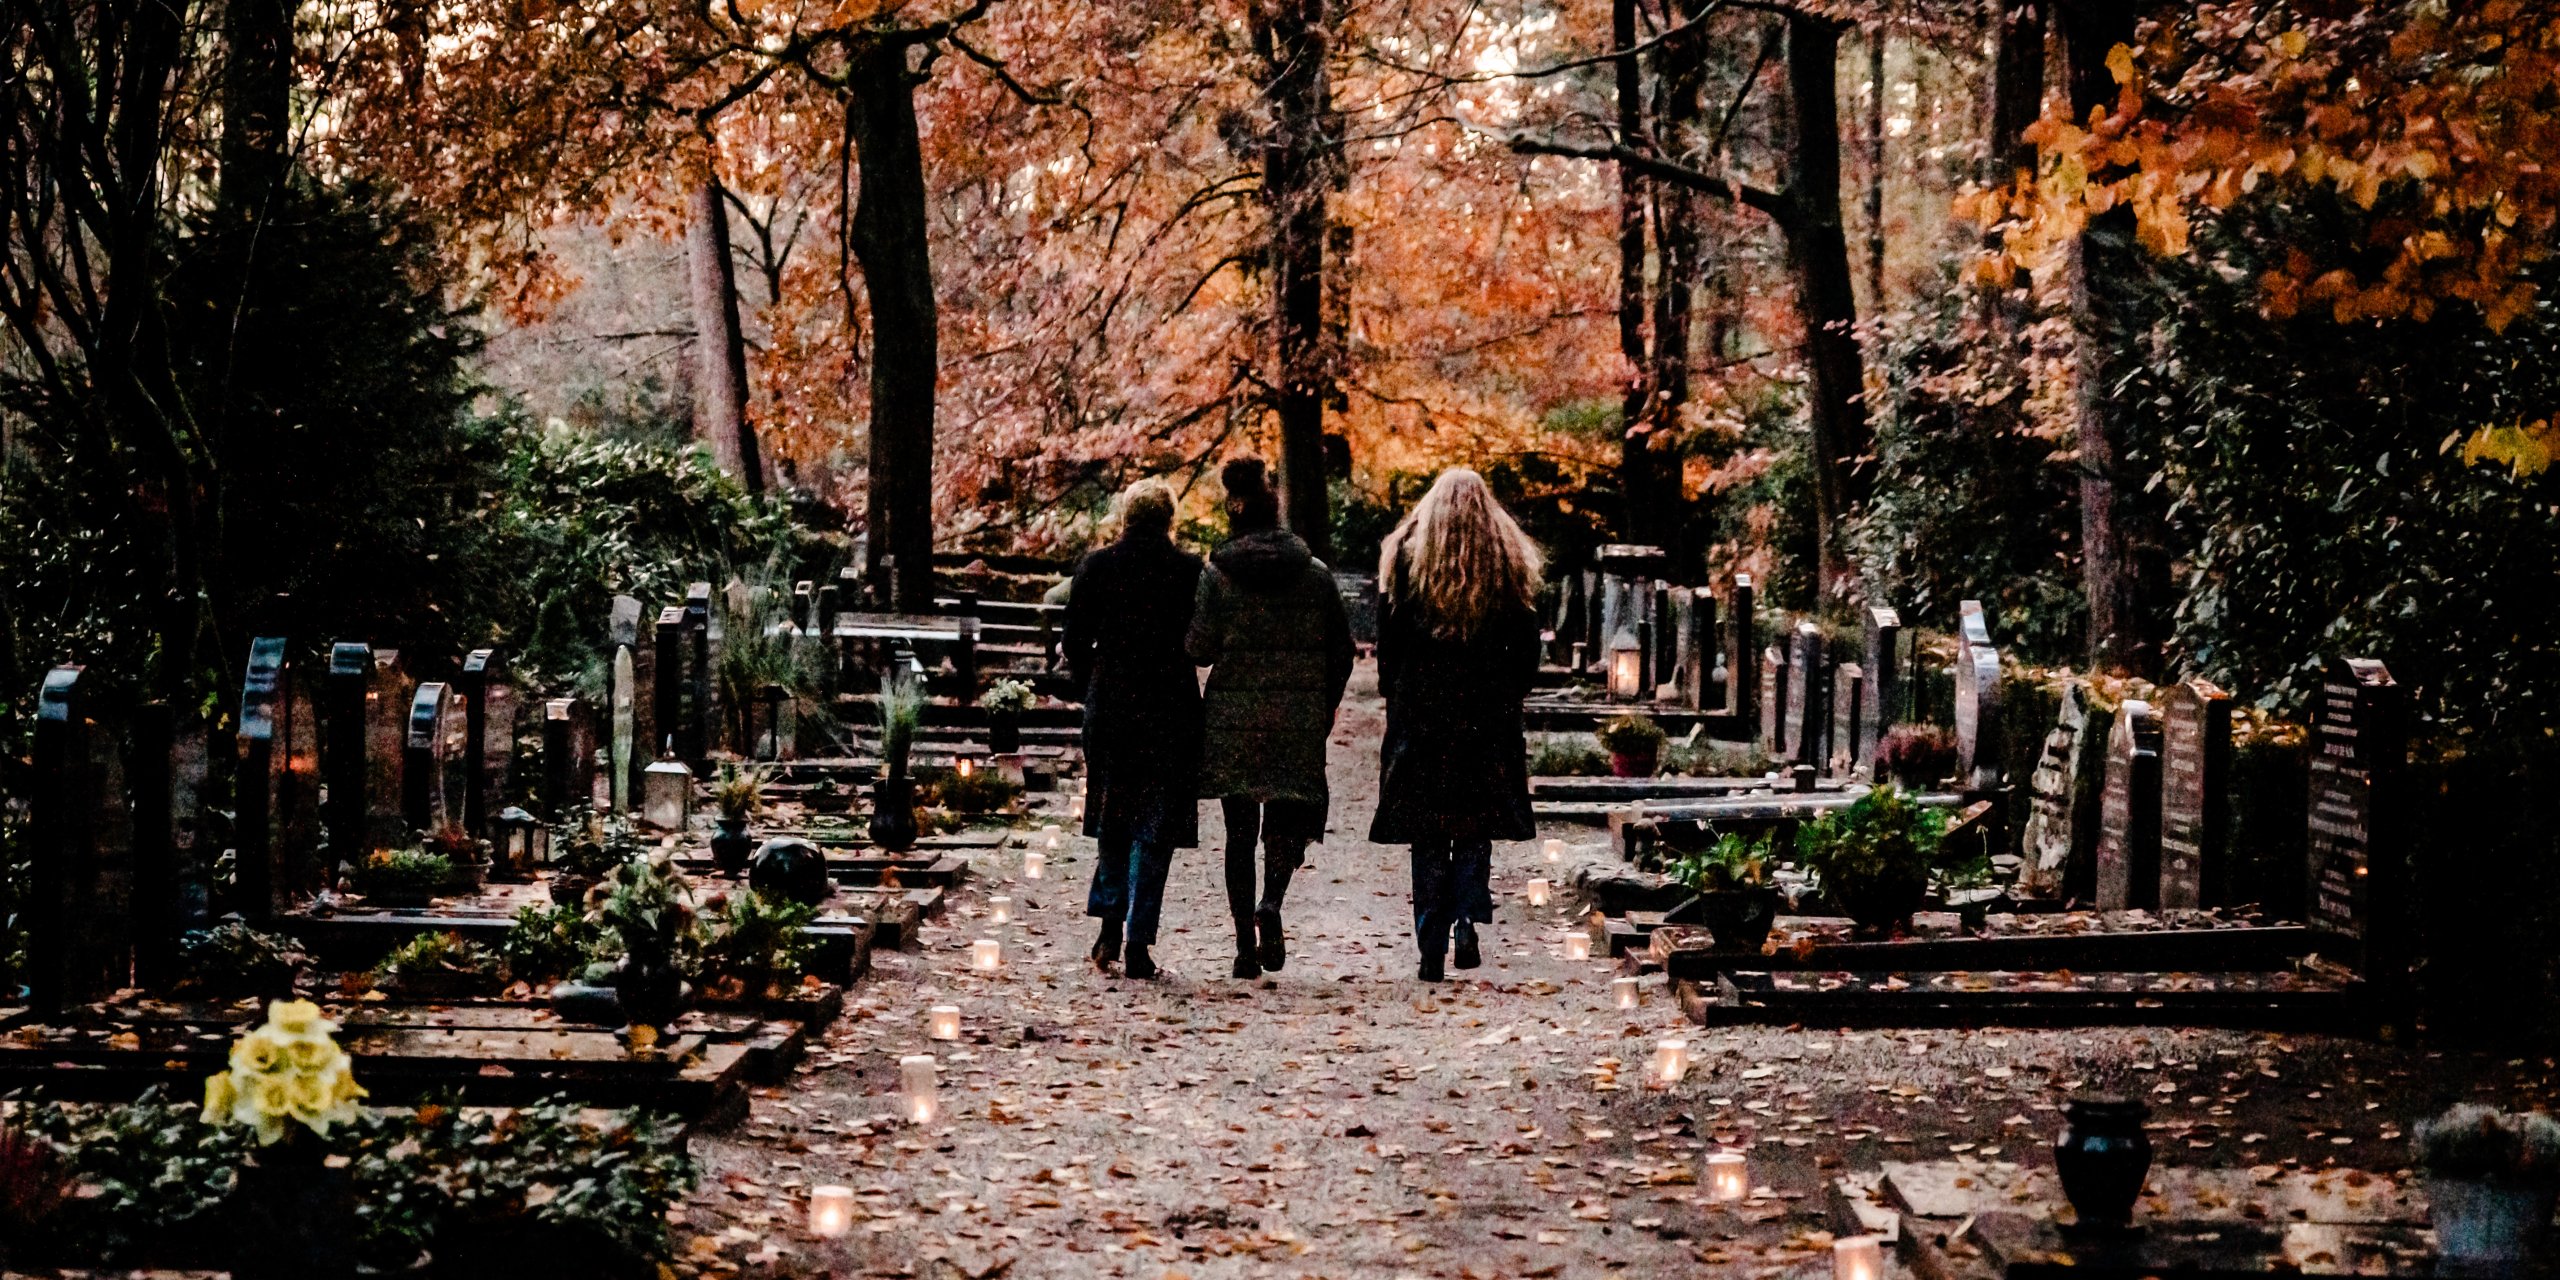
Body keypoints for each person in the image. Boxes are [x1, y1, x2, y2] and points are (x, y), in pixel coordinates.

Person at [1367, 468, 1543, 982]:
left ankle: (1429, 943)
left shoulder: (1403, 558)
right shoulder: (1505, 561)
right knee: (1473, 826)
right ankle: (1466, 917)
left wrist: (1393, 694)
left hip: (1422, 714)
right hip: (1486, 716)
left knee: (1427, 831)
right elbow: (1526, 647)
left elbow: (1389, 642)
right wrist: (1512, 690)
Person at [1188, 459, 1355, 979]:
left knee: (1239, 832)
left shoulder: (1216, 576)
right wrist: (1324, 703)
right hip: (1297, 717)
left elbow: (1199, 647)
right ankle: (1273, 903)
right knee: (1285, 821)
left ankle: (1242, 946)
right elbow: (1342, 651)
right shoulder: (1315, 576)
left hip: (1233, 718)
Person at [1064, 481, 1202, 979]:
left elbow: (1074, 640)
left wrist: (1092, 686)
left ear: (1126, 515)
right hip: (1169, 707)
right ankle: (1140, 940)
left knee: (1112, 821)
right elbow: (1200, 638)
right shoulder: (1188, 570)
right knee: (1155, 829)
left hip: (1113, 704)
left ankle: (1107, 923)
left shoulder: (1097, 566)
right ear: (1169, 519)